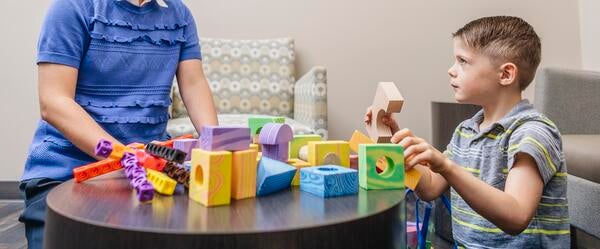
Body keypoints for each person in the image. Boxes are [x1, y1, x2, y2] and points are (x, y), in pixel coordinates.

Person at [19, 0, 218, 248]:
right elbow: (54, 100)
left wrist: (216, 144)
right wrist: (122, 156)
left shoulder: (180, 15)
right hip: (66, 174)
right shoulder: (73, 7)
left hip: (146, 174)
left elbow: (194, 83)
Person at [366, 16, 569, 248]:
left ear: (505, 74)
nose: (451, 70)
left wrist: (446, 166)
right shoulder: (466, 131)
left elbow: (517, 215)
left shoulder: (532, 132)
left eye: (463, 61)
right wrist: (396, 143)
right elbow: (431, 187)